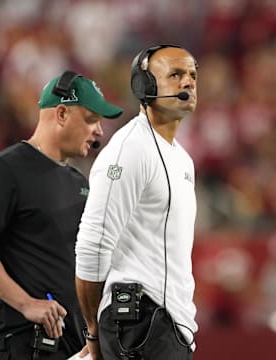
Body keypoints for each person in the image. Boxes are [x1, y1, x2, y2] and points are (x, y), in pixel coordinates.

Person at [0, 71, 123, 360]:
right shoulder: (7, 169)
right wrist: (26, 303)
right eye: (92, 119)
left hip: (68, 345)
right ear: (61, 114)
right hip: (17, 342)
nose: (99, 132)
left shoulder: (78, 183)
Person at [75, 44, 199, 360]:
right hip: (140, 322)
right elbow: (92, 246)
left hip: (169, 324)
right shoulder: (130, 149)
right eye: (175, 74)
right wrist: (92, 331)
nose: (188, 82)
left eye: (192, 75)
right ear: (145, 86)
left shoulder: (182, 159)